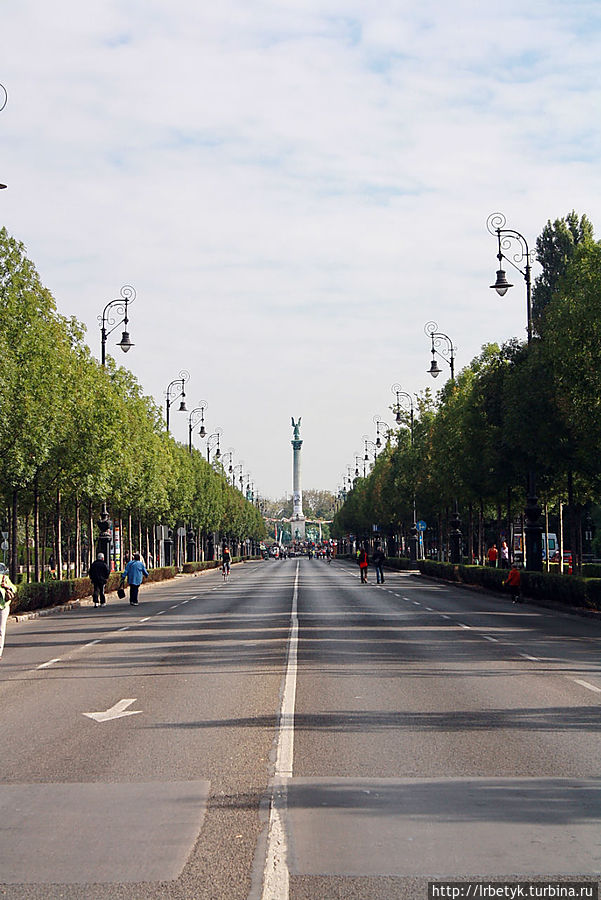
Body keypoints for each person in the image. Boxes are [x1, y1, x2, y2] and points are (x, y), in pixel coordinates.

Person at [0, 571, 16, 658]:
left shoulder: (4, 578)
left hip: (3, 607)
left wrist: (7, 586)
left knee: (1, 631)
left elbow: (14, 588)